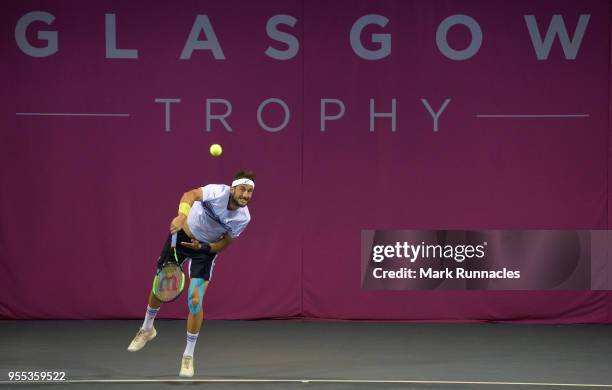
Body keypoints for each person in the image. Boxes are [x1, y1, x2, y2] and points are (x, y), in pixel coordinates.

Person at [127, 170, 255, 377]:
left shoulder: (243, 218)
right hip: (181, 237)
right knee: (161, 285)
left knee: (195, 300)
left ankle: (188, 355)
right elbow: (190, 195)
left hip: (203, 250)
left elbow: (224, 243)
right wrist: (182, 215)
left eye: (250, 191)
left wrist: (203, 248)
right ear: (233, 188)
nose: (246, 195)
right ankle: (147, 328)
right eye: (243, 189)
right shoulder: (216, 192)